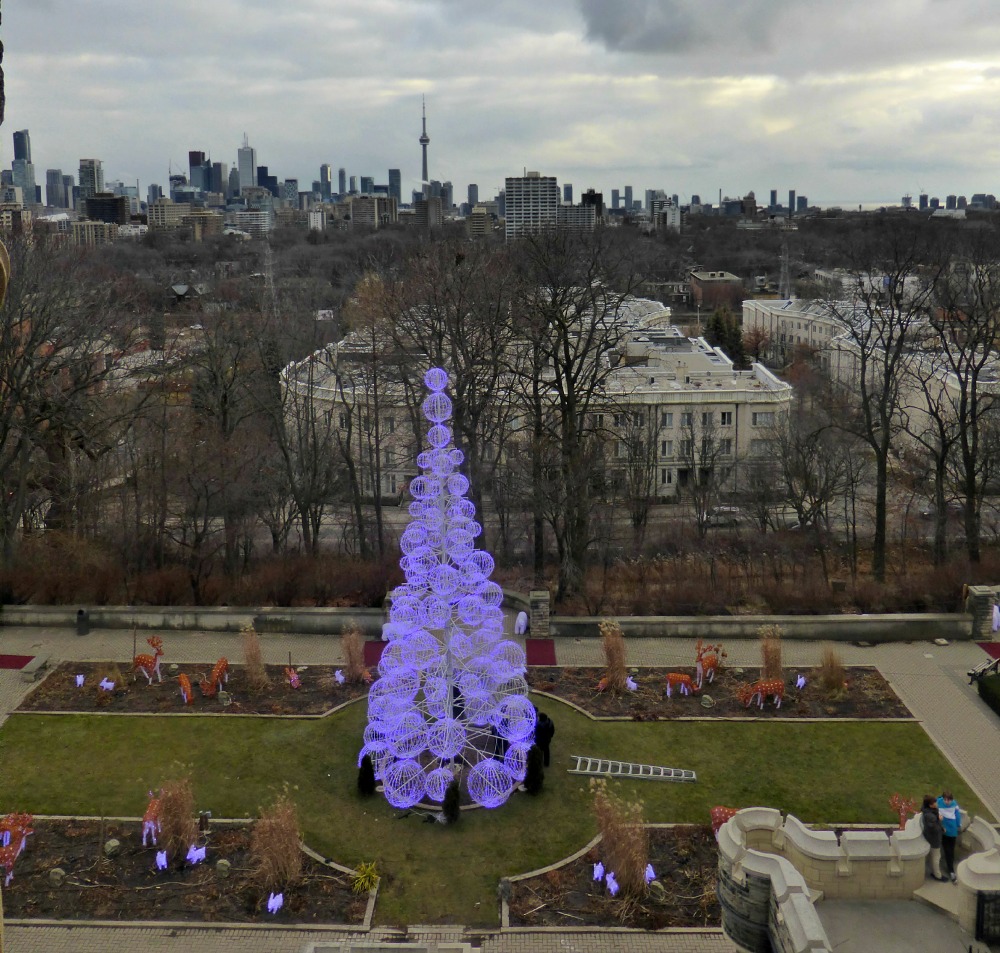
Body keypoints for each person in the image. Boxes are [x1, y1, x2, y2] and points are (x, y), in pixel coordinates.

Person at [937, 790, 962, 882]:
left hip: (952, 830)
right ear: (943, 798)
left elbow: (957, 815)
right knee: (948, 851)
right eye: (946, 800)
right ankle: (951, 870)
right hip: (944, 830)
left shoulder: (954, 804)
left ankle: (951, 869)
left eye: (949, 800)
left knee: (951, 850)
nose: (947, 802)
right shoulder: (938, 802)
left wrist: (958, 825)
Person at [920, 795, 945, 881]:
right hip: (934, 839)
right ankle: (937, 875)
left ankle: (934, 872)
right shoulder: (930, 816)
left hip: (930, 837)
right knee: (936, 856)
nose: (936, 803)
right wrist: (939, 820)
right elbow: (934, 829)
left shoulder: (929, 812)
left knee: (933, 856)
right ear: (931, 805)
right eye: (935, 802)